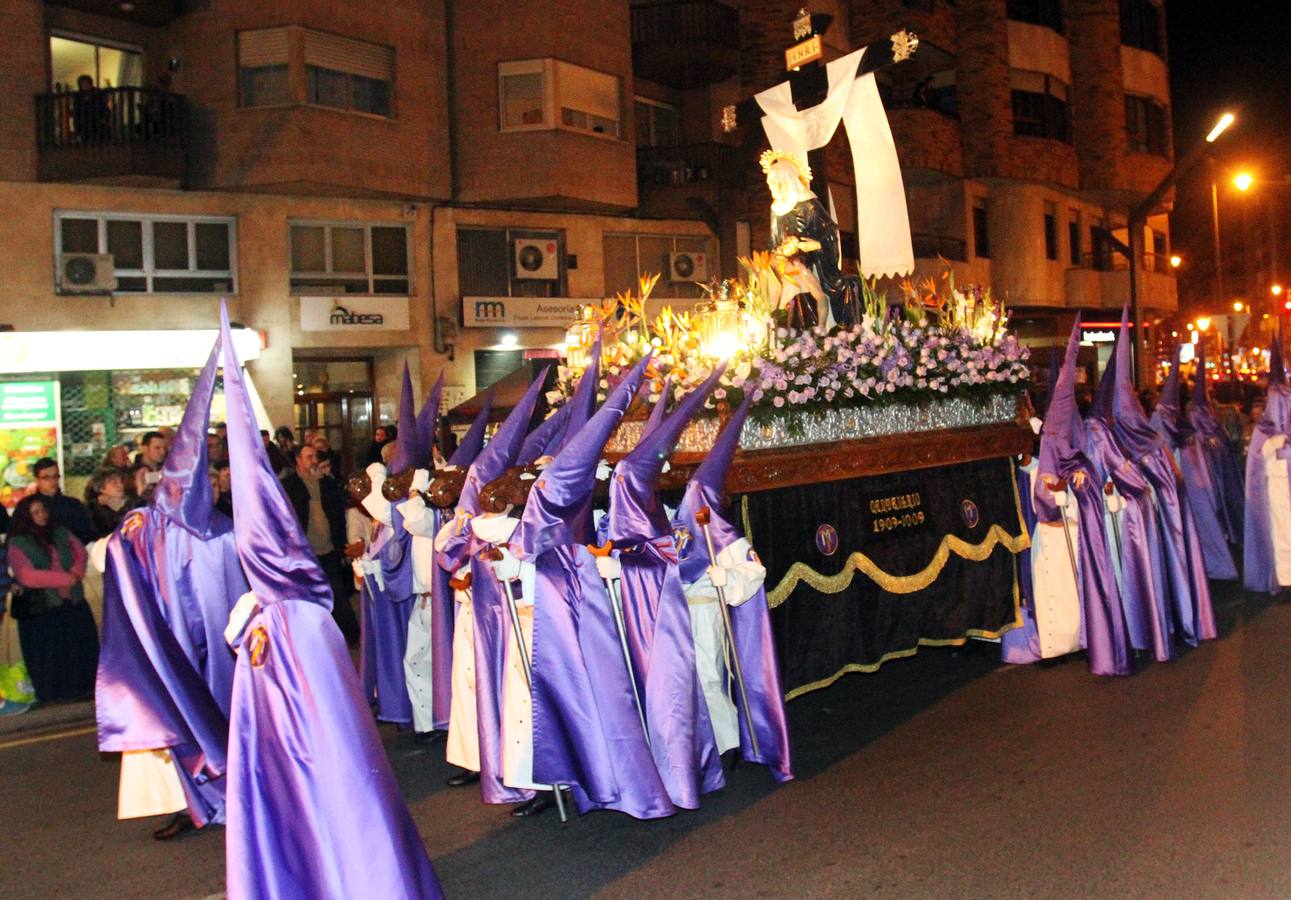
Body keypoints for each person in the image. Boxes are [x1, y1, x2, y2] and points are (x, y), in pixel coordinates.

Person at [216, 306, 442, 898]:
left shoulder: (304, 621)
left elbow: (330, 712)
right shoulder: (259, 618)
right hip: (282, 754)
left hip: (320, 751)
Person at [7, 494, 98, 702]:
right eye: (35, 513)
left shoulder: (60, 532)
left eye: (43, 511)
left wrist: (76, 572)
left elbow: (80, 554)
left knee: (79, 649)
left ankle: (83, 688)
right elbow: (27, 576)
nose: (42, 516)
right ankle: (56, 693)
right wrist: (67, 578)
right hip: (45, 608)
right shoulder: (18, 542)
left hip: (72, 602)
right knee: (51, 655)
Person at [281, 443, 359, 643]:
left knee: (338, 594)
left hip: (328, 550)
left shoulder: (326, 483)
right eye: (309, 457)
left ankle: (351, 636)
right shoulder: (289, 485)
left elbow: (337, 516)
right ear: (298, 460)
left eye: (315, 456)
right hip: (304, 553)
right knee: (308, 597)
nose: (314, 461)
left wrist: (341, 543)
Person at [31, 457, 96, 544]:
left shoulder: (73, 505)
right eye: (46, 477)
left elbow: (87, 535)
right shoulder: (27, 506)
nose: (52, 481)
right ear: (37, 480)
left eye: (55, 476)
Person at [84, 466, 134, 539]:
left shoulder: (131, 502)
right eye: (114, 483)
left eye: (121, 482)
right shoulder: (95, 512)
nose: (120, 485)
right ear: (101, 488)